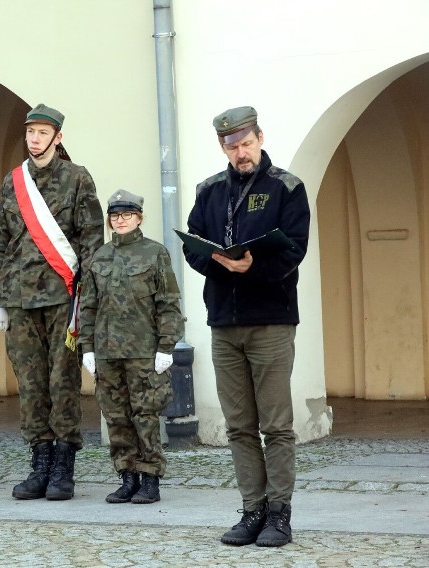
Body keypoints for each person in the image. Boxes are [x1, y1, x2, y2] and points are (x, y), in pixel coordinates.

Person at [183, 106, 310, 547]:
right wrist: (218, 262)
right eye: (232, 146)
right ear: (223, 147)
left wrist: (252, 266)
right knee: (239, 425)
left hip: (271, 321)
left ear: (260, 137)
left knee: (276, 425)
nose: (241, 152)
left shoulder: (287, 188)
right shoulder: (209, 190)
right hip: (223, 321)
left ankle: (280, 514)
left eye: (247, 143)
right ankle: (252, 510)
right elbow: (193, 245)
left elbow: (294, 249)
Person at [0, 104, 104, 501]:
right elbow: (0, 242)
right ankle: (39, 464)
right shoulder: (12, 182)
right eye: (30, 133)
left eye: (42, 133)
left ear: (58, 137)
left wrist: (85, 297)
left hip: (62, 298)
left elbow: (91, 240)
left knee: (63, 382)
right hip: (20, 301)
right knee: (31, 384)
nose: (34, 139)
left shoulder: (77, 179)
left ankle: (63, 468)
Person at [78, 190, 183, 505]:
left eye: (126, 214)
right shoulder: (99, 257)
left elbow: (168, 303)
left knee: (145, 415)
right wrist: (87, 348)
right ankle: (127, 476)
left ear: (139, 217)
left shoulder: (155, 254)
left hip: (143, 350)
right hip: (107, 352)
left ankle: (149, 478)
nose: (119, 220)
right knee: (116, 416)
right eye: (115, 215)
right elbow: (88, 307)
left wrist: (166, 345)